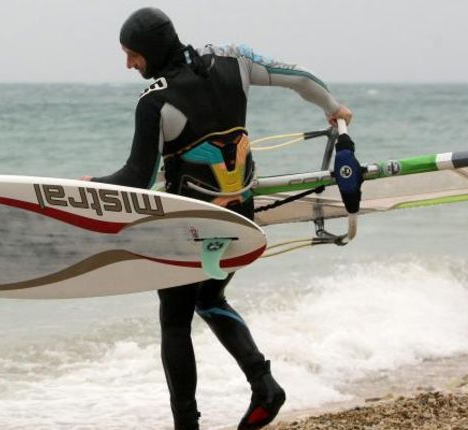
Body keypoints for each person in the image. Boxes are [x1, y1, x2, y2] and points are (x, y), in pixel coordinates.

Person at [82, 7, 354, 430]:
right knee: (208, 299)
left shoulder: (156, 98)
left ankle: (186, 425)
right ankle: (264, 385)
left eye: (132, 54)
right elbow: (300, 77)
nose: (129, 64)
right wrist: (333, 107)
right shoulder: (234, 60)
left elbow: (139, 177)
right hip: (240, 218)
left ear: (150, 51)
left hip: (189, 222)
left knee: (174, 322)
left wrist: (90, 185)